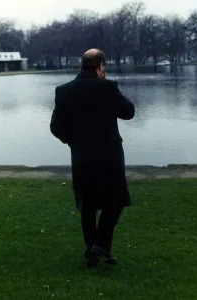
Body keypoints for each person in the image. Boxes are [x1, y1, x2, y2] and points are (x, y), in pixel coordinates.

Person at [50, 49, 135, 268]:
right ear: (100, 67)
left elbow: (55, 127)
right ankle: (101, 244)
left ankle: (93, 248)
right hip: (110, 156)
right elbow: (128, 112)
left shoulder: (64, 90)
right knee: (116, 200)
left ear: (81, 65)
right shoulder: (108, 87)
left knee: (87, 204)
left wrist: (71, 142)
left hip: (81, 156)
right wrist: (109, 85)